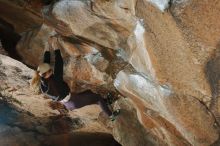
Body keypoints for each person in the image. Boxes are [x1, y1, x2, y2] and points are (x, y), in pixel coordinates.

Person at [32, 36, 119, 121]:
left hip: (69, 102)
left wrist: (47, 45)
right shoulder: (55, 80)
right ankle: (111, 116)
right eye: (50, 70)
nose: (52, 70)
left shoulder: (42, 81)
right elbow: (59, 62)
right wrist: (55, 46)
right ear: (46, 73)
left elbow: (45, 63)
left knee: (89, 93)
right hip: (73, 101)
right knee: (97, 97)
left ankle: (106, 102)